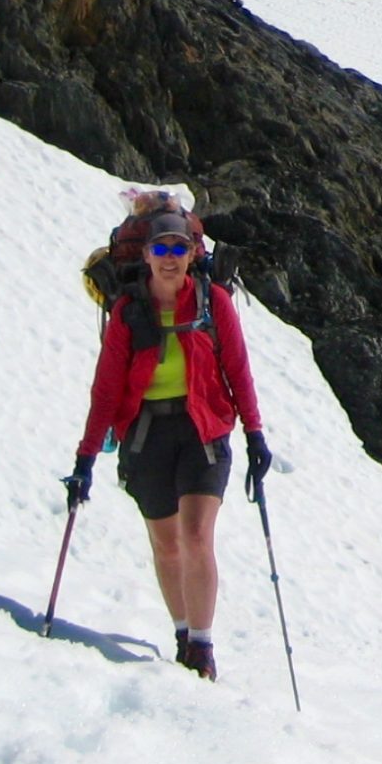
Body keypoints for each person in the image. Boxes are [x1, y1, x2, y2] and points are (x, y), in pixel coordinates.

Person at [66, 211, 270, 682]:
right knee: (166, 544)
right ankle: (183, 633)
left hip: (205, 430)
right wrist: (86, 457)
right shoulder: (128, 311)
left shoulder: (213, 303)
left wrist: (255, 433)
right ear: (146, 255)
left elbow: (238, 369)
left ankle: (201, 647)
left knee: (195, 535)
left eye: (179, 248)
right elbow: (106, 390)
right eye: (161, 248)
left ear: (193, 253)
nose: (171, 257)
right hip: (146, 435)